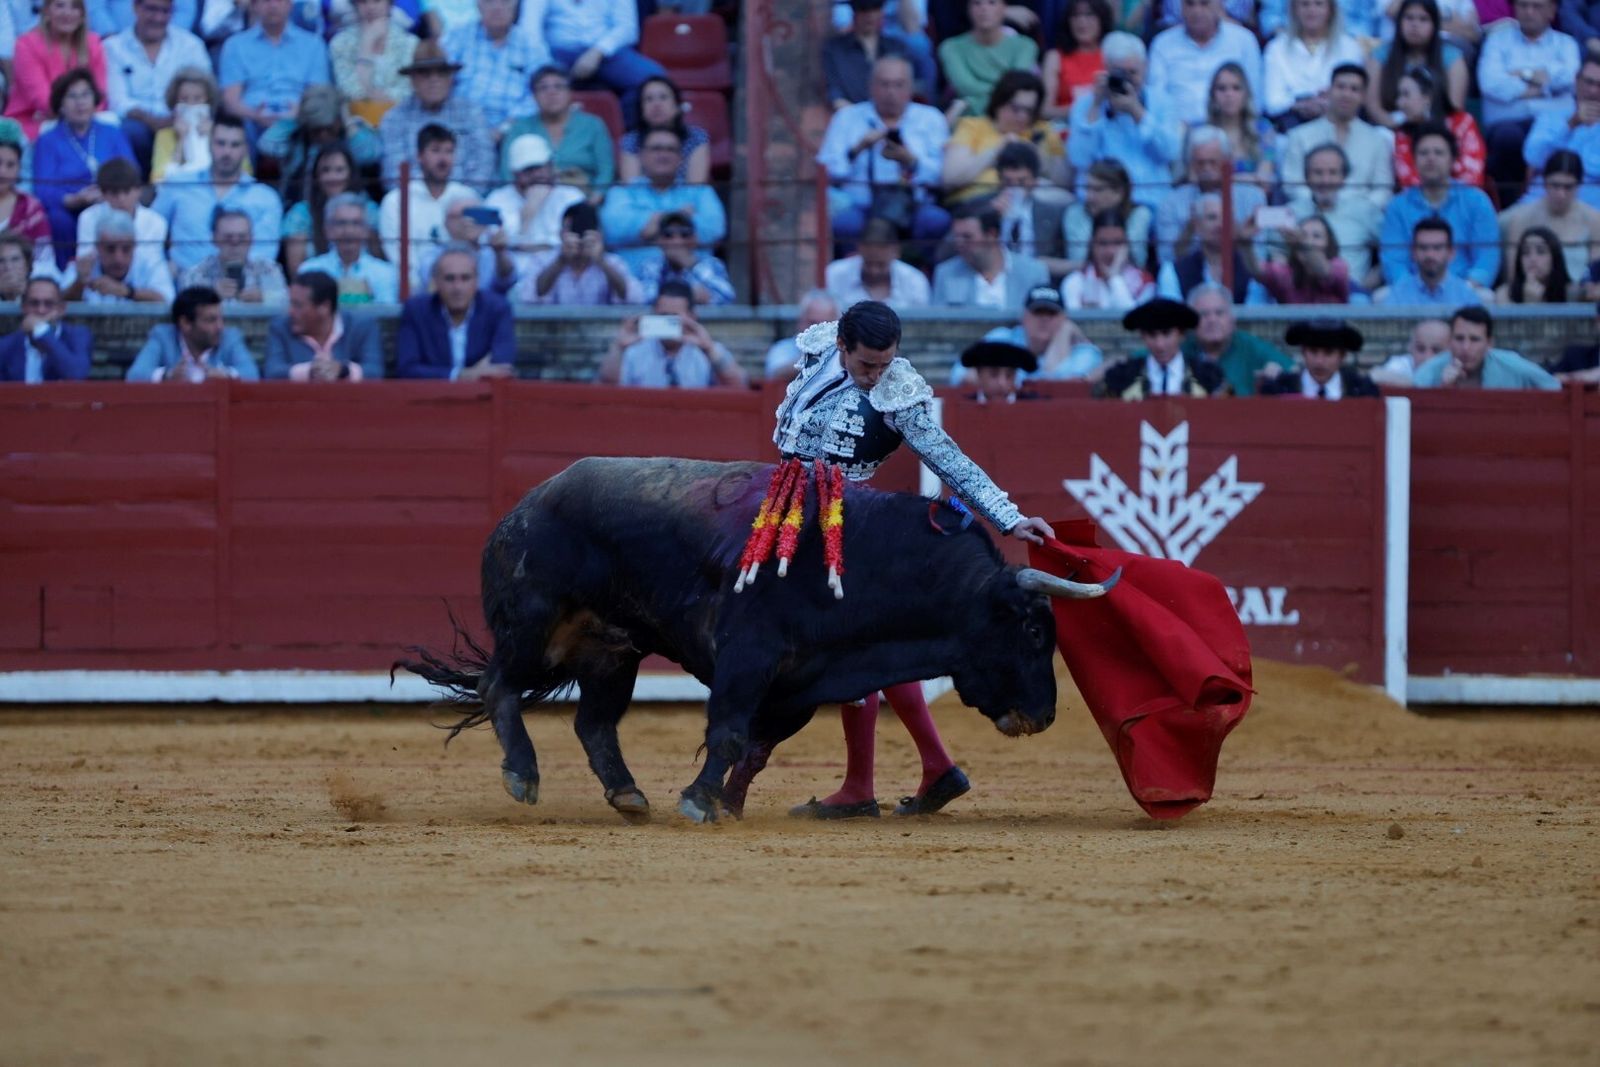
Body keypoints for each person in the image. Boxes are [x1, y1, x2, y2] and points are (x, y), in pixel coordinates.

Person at [742, 300, 1054, 820]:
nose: (877, 375)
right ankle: (932, 768)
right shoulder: (819, 347)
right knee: (871, 652)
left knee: (853, 649)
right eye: (867, 365)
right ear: (841, 346)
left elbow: (947, 457)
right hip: (793, 512)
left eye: (886, 363)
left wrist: (1007, 517)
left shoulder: (898, 392)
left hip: (847, 528)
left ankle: (865, 786)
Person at [816, 55, 948, 247]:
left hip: (911, 204)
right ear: (871, 87)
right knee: (844, 224)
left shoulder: (931, 118)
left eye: (898, 85)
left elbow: (942, 175)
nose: (891, 92)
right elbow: (825, 170)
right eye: (884, 85)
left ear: (911, 87)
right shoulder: (847, 117)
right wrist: (857, 149)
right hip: (861, 205)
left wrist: (911, 161)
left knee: (937, 221)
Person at [1066, 32, 1183, 213]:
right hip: (1098, 203)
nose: (1127, 80)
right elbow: (1079, 159)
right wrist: (1096, 105)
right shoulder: (1086, 105)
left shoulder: (1163, 102)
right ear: (1105, 69)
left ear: (1145, 68)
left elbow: (1169, 152)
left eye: (1133, 73)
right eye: (1120, 73)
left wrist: (1137, 112)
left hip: (1149, 200)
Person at [152, 114, 283, 275]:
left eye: (235, 145)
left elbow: (265, 254)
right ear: (209, 144)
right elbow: (152, 233)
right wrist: (163, 268)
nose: (227, 152)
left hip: (243, 289)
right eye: (220, 143)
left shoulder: (266, 198)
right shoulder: (178, 184)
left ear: (246, 149)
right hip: (185, 290)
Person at [34, 69, 137, 268]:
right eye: (72, 96)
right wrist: (72, 200)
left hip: (110, 202)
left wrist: (108, 194)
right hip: (69, 209)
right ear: (61, 105)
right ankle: (70, 274)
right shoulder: (48, 141)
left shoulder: (113, 133)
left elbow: (131, 172)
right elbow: (42, 188)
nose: (80, 102)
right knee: (56, 218)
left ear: (94, 100)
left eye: (85, 94)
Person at [1479, 0, 1581, 197]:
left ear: (1552, 11)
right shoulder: (1497, 41)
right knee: (1508, 139)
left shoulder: (1566, 44)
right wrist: (1544, 83)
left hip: (1555, 121)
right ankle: (1512, 203)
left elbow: (1570, 78)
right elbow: (1490, 84)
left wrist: (1519, 74)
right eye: (1523, 5)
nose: (1529, 12)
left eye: (1537, 6)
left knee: (1563, 138)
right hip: (1507, 123)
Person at [1379, 124, 1500, 286]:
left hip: (1467, 290)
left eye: (1438, 153)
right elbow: (1393, 262)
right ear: (1414, 160)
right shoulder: (1397, 207)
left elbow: (1487, 257)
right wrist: (1415, 292)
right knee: (1381, 298)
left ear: (1452, 159)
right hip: (1411, 294)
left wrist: (1465, 289)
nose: (1431, 158)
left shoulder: (1477, 201)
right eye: (1424, 153)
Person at [600, 126, 727, 273]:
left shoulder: (701, 191)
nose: (663, 155)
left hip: (691, 283)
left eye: (670, 149)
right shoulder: (622, 192)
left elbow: (714, 229)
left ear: (681, 158)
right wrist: (680, 217)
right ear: (642, 156)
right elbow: (612, 231)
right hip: (635, 284)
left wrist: (649, 228)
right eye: (656, 149)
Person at [103, 0, 209, 174]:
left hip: (183, 117)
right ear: (136, 8)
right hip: (137, 122)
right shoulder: (113, 47)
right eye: (151, 9)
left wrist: (180, 115)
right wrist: (153, 121)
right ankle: (134, 188)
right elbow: (118, 101)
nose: (158, 18)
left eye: (165, 11)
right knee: (130, 132)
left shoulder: (191, 45)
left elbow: (206, 91)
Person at [516, 0, 668, 119]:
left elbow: (628, 28)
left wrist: (598, 51)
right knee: (534, 79)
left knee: (654, 79)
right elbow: (530, 30)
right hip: (557, 52)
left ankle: (622, 129)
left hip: (606, 51)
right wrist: (547, 66)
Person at [378, 40, 494, 191]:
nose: (434, 80)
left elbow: (484, 165)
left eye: (441, 73)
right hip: (413, 202)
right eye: (425, 74)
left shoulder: (471, 113)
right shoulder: (394, 119)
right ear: (412, 80)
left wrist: (458, 199)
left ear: (451, 79)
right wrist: (429, 199)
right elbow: (394, 174)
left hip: (463, 202)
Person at [1280, 63, 1396, 210]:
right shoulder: (1299, 136)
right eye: (1340, 87)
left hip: (1360, 219)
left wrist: (1355, 209)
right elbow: (1292, 184)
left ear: (1363, 97)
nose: (1346, 94)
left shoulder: (1377, 141)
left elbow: (1383, 189)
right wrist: (1320, 203)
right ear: (1329, 91)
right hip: (1311, 214)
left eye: (1354, 89)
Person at [943, 69, 1069, 202]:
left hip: (1033, 202)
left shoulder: (1042, 130)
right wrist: (997, 151)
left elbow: (1066, 183)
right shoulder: (973, 126)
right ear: (999, 103)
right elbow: (950, 179)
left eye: (1029, 111)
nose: (1022, 116)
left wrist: (1038, 158)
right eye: (1016, 108)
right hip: (979, 201)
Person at [394, 243, 516, 380]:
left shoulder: (497, 308)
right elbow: (407, 369)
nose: (458, 287)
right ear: (436, 282)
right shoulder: (417, 310)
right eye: (449, 278)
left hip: (483, 397)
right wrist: (461, 375)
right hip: (430, 398)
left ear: (477, 281)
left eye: (465, 278)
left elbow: (501, 366)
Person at [217, 0, 332, 143]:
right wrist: (254, 115)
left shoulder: (314, 45)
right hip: (251, 121)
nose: (273, 5)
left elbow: (318, 95)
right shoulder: (235, 45)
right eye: (265, 1)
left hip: (299, 119)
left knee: (318, 122)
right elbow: (231, 101)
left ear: (290, 5)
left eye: (279, 0)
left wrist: (299, 113)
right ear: (254, 6)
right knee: (236, 131)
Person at [598, 279, 748, 388]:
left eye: (674, 317)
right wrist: (618, 348)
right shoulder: (634, 351)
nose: (667, 321)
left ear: (692, 316)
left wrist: (709, 349)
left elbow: (739, 385)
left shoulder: (707, 350)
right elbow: (605, 388)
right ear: (654, 313)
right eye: (663, 315)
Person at [379, 123, 478, 288]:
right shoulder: (395, 201)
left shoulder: (467, 197)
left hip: (460, 287)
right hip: (413, 289)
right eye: (435, 150)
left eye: (449, 151)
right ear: (419, 156)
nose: (443, 159)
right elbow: (396, 255)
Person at [257, 85, 384, 207]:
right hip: (303, 209)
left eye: (329, 128)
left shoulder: (353, 131)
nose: (323, 134)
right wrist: (295, 118)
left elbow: (369, 155)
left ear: (339, 120)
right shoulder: (296, 138)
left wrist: (347, 120)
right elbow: (265, 145)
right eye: (317, 128)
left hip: (349, 210)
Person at [1155, 127, 1267, 261]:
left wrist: (1240, 237)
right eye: (1200, 163)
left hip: (1240, 276)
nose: (1207, 169)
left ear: (1228, 161)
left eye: (1213, 162)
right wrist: (1191, 229)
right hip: (1189, 278)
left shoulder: (1254, 197)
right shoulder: (1171, 202)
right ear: (1191, 164)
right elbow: (1166, 260)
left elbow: (1260, 259)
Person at [1147, 0, 1263, 127]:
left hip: (1230, 130)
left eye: (1204, 3)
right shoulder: (1162, 44)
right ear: (1180, 7)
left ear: (1220, 5)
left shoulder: (1244, 41)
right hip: (1178, 131)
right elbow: (1156, 99)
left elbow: (1254, 98)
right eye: (1190, 4)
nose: (1197, 11)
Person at [4, 0, 108, 140]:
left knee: (111, 128)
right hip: (33, 122)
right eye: (60, 5)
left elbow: (99, 95)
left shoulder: (93, 43)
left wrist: (82, 114)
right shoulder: (26, 45)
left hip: (85, 118)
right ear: (46, 10)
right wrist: (78, 113)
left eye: (75, 7)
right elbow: (44, 101)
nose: (67, 13)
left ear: (82, 14)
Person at [500, 66, 615, 191]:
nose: (551, 93)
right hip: (530, 197)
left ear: (570, 92)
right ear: (533, 96)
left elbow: (606, 170)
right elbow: (507, 172)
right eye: (543, 88)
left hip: (584, 198)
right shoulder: (520, 128)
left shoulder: (593, 125)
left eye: (559, 86)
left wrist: (595, 198)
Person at [442, 0, 547, 136]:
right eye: (489, 1)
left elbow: (540, 92)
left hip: (513, 129)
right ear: (478, 6)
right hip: (458, 125)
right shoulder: (457, 36)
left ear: (515, 6)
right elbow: (440, 80)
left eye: (504, 2)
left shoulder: (532, 45)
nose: (497, 7)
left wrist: (505, 128)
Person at [1288, 143, 1384, 287]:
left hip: (1352, 299)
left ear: (1343, 177)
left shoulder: (1364, 210)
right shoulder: (1290, 213)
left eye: (1333, 173)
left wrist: (1364, 287)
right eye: (1318, 173)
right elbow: (1276, 258)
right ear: (1306, 178)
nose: (1325, 180)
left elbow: (1393, 252)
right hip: (1300, 299)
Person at [967, 283, 1103, 382]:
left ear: (1064, 319)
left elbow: (1059, 388)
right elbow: (963, 377)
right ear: (1023, 316)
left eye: (1051, 313)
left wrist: (1062, 338)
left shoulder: (1084, 352)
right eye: (1037, 312)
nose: (1044, 319)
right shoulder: (1001, 339)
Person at [265, 269, 384, 380]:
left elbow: (375, 371)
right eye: (291, 304)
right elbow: (272, 372)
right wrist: (310, 370)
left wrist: (343, 370)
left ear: (324, 307)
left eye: (298, 305)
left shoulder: (362, 326)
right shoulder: (280, 327)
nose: (290, 311)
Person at [281, 144, 380, 277]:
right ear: (317, 176)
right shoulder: (300, 214)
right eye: (326, 170)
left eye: (339, 170)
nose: (332, 177)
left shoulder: (369, 210)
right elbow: (296, 271)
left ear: (350, 174)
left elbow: (377, 257)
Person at [1262, 0, 1364, 128]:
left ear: (1330, 10)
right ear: (1294, 10)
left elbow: (1354, 94)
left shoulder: (1349, 47)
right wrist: (1302, 104)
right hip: (1289, 123)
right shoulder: (1276, 48)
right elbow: (1273, 102)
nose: (1311, 10)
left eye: (1319, 4)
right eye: (1305, 4)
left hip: (1337, 121)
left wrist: (1328, 101)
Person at [125, 285, 260, 381]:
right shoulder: (163, 336)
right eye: (211, 320)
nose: (220, 327)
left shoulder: (230, 337)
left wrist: (226, 376)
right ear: (185, 323)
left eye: (221, 319)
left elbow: (252, 374)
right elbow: (135, 375)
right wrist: (168, 376)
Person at [1100, 296, 1227, 399]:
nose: (1159, 344)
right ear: (1143, 336)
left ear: (1181, 334)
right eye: (1152, 335)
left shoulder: (1209, 376)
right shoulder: (1121, 376)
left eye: (1167, 334)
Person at [520, 200, 643, 305]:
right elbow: (529, 296)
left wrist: (601, 262)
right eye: (572, 229)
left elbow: (635, 298)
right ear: (560, 232)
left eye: (584, 228)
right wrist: (561, 260)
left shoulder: (612, 262)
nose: (578, 234)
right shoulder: (542, 260)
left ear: (599, 233)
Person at [1369, 0, 1470, 127]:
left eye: (1423, 19)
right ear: (1399, 21)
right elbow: (1373, 106)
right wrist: (1397, 128)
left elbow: (1455, 107)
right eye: (1409, 18)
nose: (1415, 25)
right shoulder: (1380, 55)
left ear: (1435, 24)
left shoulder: (1452, 57)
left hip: (1438, 131)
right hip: (1390, 129)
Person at [1502, 152, 1600, 279]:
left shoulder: (1594, 220)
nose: (1561, 194)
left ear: (1579, 185)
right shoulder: (1521, 219)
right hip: (1530, 295)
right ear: (1544, 182)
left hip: (1579, 297)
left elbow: (1595, 277)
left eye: (1568, 187)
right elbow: (1513, 276)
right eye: (1555, 185)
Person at [1412, 304, 1562, 387]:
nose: (1466, 347)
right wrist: (1442, 390)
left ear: (1489, 343)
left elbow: (1553, 387)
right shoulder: (1432, 369)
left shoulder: (1511, 365)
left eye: (1475, 339)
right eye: (1459, 338)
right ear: (1450, 340)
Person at [1181, 283, 1292, 394]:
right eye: (1204, 314)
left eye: (1219, 313)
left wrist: (1277, 373)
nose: (1212, 320)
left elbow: (1292, 370)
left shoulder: (1250, 346)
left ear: (1232, 319)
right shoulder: (1182, 350)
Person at [486, 133, 586, 256]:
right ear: (515, 173)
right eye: (528, 170)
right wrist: (529, 211)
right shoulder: (496, 200)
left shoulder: (572, 196)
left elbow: (579, 243)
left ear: (550, 165)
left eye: (540, 167)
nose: (536, 175)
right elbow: (500, 247)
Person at [932, 205, 1051, 307]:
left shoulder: (1033, 272)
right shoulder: (946, 273)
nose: (959, 243)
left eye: (967, 237)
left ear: (991, 235)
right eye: (956, 237)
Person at [1157, 193, 1266, 304]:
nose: (1220, 225)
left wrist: (1245, 242)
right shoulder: (1173, 271)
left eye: (1226, 218)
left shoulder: (1248, 270)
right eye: (1212, 218)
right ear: (1197, 225)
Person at [938, 0, 1040, 116]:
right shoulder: (950, 48)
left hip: (1012, 119)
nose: (984, 9)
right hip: (970, 122)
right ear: (968, 9)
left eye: (991, 2)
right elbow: (965, 87)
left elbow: (1016, 85)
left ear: (1004, 8)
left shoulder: (1026, 46)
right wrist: (1004, 95)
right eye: (977, 3)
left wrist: (973, 101)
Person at [1524, 55, 1600, 207]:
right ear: (1577, 81)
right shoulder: (1551, 116)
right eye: (1589, 82)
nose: (1593, 91)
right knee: (1508, 222)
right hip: (1545, 194)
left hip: (1593, 199)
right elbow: (1533, 158)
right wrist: (1570, 125)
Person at [1393, 64, 1486, 188]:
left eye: (1406, 95)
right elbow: (1408, 182)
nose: (1399, 103)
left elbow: (1473, 175)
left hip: (1463, 201)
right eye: (1399, 96)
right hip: (1419, 204)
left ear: (1427, 97)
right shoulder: (1402, 135)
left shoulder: (1463, 123)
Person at [328, 0, 418, 127]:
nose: (370, 7)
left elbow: (407, 92)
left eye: (377, 1)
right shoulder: (340, 44)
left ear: (389, 4)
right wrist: (367, 44)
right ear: (355, 5)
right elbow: (351, 92)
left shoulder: (410, 44)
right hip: (357, 124)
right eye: (363, 2)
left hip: (403, 121)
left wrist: (372, 96)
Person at [300, 191, 400, 304]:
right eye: (341, 223)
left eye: (356, 223)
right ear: (328, 230)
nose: (349, 231)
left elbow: (385, 317)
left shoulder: (385, 273)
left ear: (366, 230)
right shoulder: (310, 270)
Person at [179, 209, 289, 306]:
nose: (235, 243)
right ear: (214, 239)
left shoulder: (268, 269)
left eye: (242, 237)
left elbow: (288, 302)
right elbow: (184, 308)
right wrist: (211, 296)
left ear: (251, 239)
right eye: (228, 238)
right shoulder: (196, 273)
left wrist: (264, 298)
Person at [1062, 158, 1154, 273]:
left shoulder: (1140, 214)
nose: (1089, 197)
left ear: (1119, 193)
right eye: (1087, 189)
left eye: (1097, 190)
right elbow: (1079, 259)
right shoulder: (1075, 214)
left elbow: (1137, 261)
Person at [414, 192, 517, 293]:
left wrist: (500, 253)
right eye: (458, 216)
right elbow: (431, 284)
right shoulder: (433, 255)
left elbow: (507, 282)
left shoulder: (493, 253)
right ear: (445, 222)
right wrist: (462, 244)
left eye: (473, 214)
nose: (467, 221)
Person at [61, 210, 174, 302]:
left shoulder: (151, 263)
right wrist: (79, 283)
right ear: (97, 247)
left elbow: (168, 301)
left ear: (134, 246)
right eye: (110, 249)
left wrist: (126, 292)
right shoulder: (83, 265)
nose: (118, 258)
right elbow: (57, 304)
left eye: (126, 249)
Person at [616, 75, 709, 187]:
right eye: (649, 99)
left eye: (663, 97)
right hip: (641, 203)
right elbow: (632, 190)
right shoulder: (631, 141)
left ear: (677, 105)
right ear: (641, 109)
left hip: (687, 202)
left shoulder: (696, 137)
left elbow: (696, 189)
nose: (656, 105)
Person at [632, 208, 735, 305]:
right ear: (659, 241)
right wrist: (690, 295)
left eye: (684, 234)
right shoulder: (650, 266)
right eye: (668, 235)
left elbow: (727, 298)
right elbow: (644, 299)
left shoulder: (712, 264)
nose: (677, 241)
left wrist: (692, 265)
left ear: (695, 240)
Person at [824, 217, 932, 309]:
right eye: (868, 263)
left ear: (896, 252)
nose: (874, 271)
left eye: (881, 265)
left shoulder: (914, 281)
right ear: (859, 248)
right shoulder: (834, 274)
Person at [825, 0, 914, 109]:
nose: (870, 16)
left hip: (894, 117)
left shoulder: (897, 47)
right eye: (863, 9)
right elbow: (835, 94)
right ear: (854, 12)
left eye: (875, 8)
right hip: (852, 117)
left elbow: (906, 88)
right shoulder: (835, 49)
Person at [0, 277, 92, 382]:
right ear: (23, 307)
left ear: (61, 309)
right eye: (34, 303)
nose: (41, 310)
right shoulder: (5, 346)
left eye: (48, 304)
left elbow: (76, 375)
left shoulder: (78, 336)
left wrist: (41, 332)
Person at [1260, 318, 1381, 398]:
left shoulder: (1362, 391)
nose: (1319, 361)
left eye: (1328, 353)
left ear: (1342, 356)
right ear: (1303, 352)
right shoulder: (1279, 389)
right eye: (1313, 352)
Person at [1378, 216, 1488, 303]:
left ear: (1451, 253)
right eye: (1423, 247)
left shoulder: (1466, 297)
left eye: (1437, 248)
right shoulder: (1397, 297)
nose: (1430, 255)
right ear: (1413, 252)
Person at [1060, 212, 1155, 309]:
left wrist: (1114, 277)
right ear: (1091, 245)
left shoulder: (1145, 281)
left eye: (1117, 243)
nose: (1110, 252)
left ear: (1127, 245)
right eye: (1103, 243)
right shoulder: (1074, 282)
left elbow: (1134, 320)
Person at [1208, 62, 1277, 192]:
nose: (1229, 94)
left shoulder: (1263, 129)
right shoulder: (1203, 132)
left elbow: (1264, 181)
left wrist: (1224, 180)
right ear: (1213, 95)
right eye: (1222, 89)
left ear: (1246, 93)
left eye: (1236, 88)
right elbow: (1198, 181)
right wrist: (1249, 178)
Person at [1252, 214, 1351, 303]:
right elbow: (1257, 271)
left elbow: (1323, 271)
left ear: (1329, 244)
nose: (1309, 241)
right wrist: (1245, 242)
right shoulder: (1287, 272)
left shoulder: (1339, 266)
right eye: (1303, 235)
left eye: (1316, 236)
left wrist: (1302, 243)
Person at [1041, 0, 1111, 121]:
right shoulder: (1055, 57)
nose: (1081, 22)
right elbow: (1044, 110)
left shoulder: (1111, 55)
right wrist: (1088, 109)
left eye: (1089, 15)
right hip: (1064, 130)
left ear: (1102, 19)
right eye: (1075, 16)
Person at [148, 66, 219, 181]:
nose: (191, 105)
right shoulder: (164, 135)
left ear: (208, 100)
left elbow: (243, 174)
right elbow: (158, 180)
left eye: (197, 99)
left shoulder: (223, 133)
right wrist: (181, 140)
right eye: (184, 99)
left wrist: (209, 138)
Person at [763, 289, 840, 381]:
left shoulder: (844, 353)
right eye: (814, 323)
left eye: (827, 324)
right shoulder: (783, 348)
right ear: (801, 322)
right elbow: (776, 375)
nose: (820, 331)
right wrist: (814, 359)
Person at [0, 140, 51, 265]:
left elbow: (44, 260)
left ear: (19, 170)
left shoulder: (32, 208)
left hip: (21, 280)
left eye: (10, 165)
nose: (2, 172)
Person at [1497, 224, 1577, 301]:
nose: (1532, 259)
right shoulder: (1505, 294)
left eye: (1541, 251)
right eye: (1526, 252)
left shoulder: (1572, 293)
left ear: (1555, 257)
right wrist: (1530, 303)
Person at [1371, 316, 1450, 385]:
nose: (1427, 357)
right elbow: (1375, 376)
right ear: (1410, 348)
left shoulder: (1454, 367)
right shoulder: (1400, 365)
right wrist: (1420, 383)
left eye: (1436, 351)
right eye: (1420, 349)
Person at [957, 339, 1038, 403]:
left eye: (1009, 375)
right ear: (979, 374)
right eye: (993, 374)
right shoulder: (963, 406)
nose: (1002, 383)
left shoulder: (1035, 406)